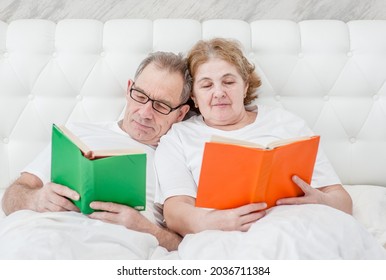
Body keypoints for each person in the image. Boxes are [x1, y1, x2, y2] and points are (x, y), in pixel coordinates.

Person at [154, 38, 353, 237]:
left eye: (229, 82)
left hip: (299, 228)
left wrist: (321, 201)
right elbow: (174, 212)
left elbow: (342, 200)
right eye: (206, 86)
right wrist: (213, 221)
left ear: (246, 86)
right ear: (194, 98)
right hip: (226, 236)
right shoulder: (178, 138)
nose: (219, 92)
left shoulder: (287, 123)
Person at [1, 51, 191, 251]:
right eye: (140, 96)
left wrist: (146, 229)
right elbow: (11, 196)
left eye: (161, 106)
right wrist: (36, 199)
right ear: (128, 89)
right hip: (42, 235)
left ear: (180, 113)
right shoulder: (77, 133)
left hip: (113, 248)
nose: (144, 113)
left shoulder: (178, 159)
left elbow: (190, 242)